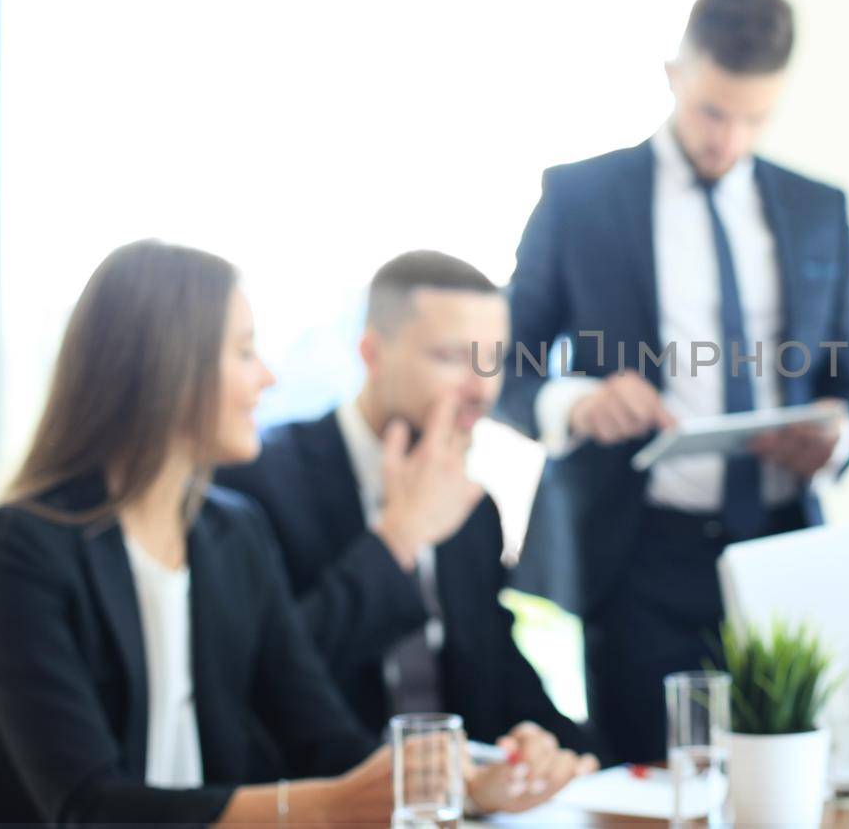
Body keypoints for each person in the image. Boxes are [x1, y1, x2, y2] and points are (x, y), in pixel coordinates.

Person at [495, 0, 849, 764]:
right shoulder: (579, 198)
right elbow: (504, 364)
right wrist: (575, 402)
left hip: (780, 548)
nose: (727, 139)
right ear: (674, 76)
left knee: (790, 787)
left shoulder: (819, 207)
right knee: (650, 789)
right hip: (638, 558)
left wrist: (836, 435)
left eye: (755, 118)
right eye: (711, 111)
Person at [0, 240, 394, 825]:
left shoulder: (233, 532)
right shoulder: (16, 548)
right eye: (245, 352)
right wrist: (323, 807)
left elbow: (321, 737)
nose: (268, 378)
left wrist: (457, 775)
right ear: (170, 366)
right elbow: (89, 808)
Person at [215, 250, 598, 808]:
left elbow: (494, 665)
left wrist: (551, 749)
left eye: (492, 360)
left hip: (452, 809)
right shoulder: (258, 485)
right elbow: (267, 684)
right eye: (451, 358)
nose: (480, 388)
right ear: (371, 353)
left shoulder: (472, 506)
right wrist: (400, 538)